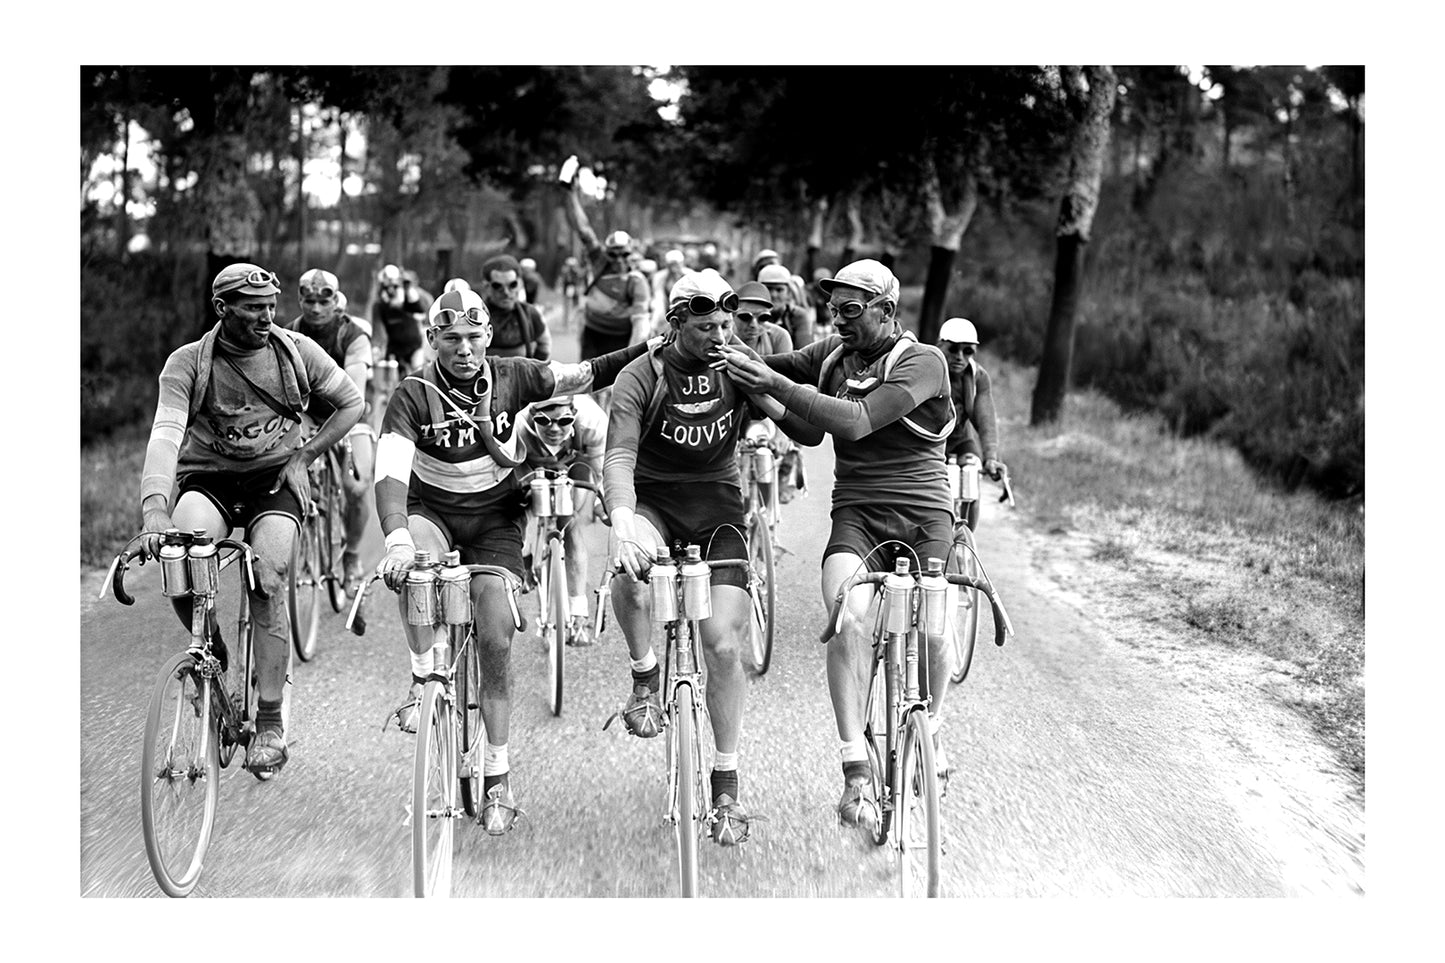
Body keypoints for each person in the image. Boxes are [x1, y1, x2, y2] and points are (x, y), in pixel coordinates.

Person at [373, 288, 657, 834]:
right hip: (429, 510)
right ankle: (420, 679)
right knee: (419, 576)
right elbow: (390, 473)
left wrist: (649, 346)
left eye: (474, 337)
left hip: (495, 520)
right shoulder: (411, 394)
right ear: (432, 339)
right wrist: (396, 542)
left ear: (488, 337)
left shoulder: (516, 376)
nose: (463, 349)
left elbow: (587, 374)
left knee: (496, 633)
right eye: (451, 338)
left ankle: (498, 775)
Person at [716, 259, 960, 830]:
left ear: (886, 311)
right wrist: (719, 358)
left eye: (851, 310)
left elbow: (852, 422)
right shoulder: (832, 355)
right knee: (845, 617)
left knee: (935, 627)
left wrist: (771, 383)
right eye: (834, 310)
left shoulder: (924, 362)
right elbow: (803, 423)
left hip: (926, 515)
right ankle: (855, 767)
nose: (839, 320)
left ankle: (935, 728)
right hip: (858, 516)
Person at [139, 263, 364, 776]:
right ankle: (211, 649)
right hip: (210, 480)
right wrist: (154, 507)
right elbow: (165, 437)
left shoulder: (295, 351)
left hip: (273, 482)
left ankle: (268, 721)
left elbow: (351, 402)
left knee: (269, 577)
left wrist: (303, 458)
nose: (267, 316)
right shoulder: (187, 364)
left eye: (271, 306)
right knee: (179, 563)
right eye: (253, 308)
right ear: (222, 309)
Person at [604, 270, 792, 847]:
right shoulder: (643, 375)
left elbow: (803, 426)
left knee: (724, 645)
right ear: (675, 322)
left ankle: (727, 780)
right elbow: (618, 457)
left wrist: (772, 394)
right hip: (654, 503)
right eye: (705, 326)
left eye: (724, 325)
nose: (718, 335)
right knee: (629, 575)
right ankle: (645, 675)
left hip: (719, 509)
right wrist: (622, 525)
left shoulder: (735, 365)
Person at [283, 268, 377, 594]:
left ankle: (351, 555)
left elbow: (355, 393)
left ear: (336, 301)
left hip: (352, 414)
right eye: (308, 301)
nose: (316, 309)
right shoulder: (288, 335)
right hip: (307, 415)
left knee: (357, 485)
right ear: (299, 299)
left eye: (324, 301)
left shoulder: (353, 337)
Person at [515, 392, 608, 645]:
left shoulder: (593, 422)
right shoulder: (518, 424)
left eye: (563, 421)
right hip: (530, 461)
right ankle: (524, 557)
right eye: (544, 421)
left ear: (574, 415)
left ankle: (578, 615)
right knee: (515, 507)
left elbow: (600, 470)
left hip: (576, 460)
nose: (554, 428)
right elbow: (508, 473)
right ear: (532, 415)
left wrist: (600, 503)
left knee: (571, 523)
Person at [560, 171, 651, 358]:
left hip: (622, 337)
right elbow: (583, 229)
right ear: (606, 253)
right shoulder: (600, 261)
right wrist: (570, 194)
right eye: (613, 255)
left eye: (624, 255)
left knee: (618, 383)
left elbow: (640, 322)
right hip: (593, 332)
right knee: (589, 379)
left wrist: (632, 355)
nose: (618, 260)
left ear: (631, 254)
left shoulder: (637, 281)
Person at [732, 282, 802, 503]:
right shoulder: (721, 335)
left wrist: (784, 434)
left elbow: (787, 389)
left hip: (766, 408)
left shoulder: (779, 337)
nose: (754, 324)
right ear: (731, 316)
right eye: (745, 317)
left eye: (762, 318)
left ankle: (769, 522)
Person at [939, 317, 1005, 532]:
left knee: (971, 479)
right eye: (953, 350)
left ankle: (967, 541)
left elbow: (985, 418)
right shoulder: (925, 368)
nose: (960, 357)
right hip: (930, 442)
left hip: (961, 439)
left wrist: (991, 458)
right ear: (940, 346)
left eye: (967, 352)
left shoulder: (978, 377)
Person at [479, 254, 552, 360]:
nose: (506, 293)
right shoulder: (477, 316)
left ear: (520, 284)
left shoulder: (530, 314)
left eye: (512, 285)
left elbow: (544, 344)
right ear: (486, 287)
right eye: (497, 286)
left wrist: (534, 370)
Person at [371, 263, 434, 373]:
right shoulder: (380, 306)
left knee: (418, 373)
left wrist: (408, 288)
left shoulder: (409, 299)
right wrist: (377, 348)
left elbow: (419, 308)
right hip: (395, 349)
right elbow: (378, 330)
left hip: (414, 346)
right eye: (387, 287)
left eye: (395, 287)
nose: (391, 291)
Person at [758, 263, 818, 349]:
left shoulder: (798, 316)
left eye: (779, 290)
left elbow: (804, 354)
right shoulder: (751, 317)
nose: (774, 295)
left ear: (789, 292)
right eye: (768, 289)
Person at [651, 249, 692, 336]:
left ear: (682, 263)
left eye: (676, 265)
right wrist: (654, 324)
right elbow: (658, 300)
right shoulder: (659, 277)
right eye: (671, 265)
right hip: (665, 314)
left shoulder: (690, 275)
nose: (674, 268)